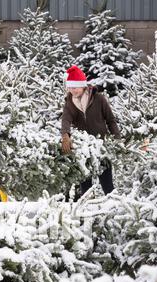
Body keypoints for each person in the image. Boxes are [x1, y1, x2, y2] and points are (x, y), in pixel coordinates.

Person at [61, 65, 121, 198]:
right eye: (70, 87)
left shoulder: (99, 99)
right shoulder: (70, 102)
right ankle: (86, 210)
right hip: (83, 149)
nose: (72, 90)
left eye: (75, 87)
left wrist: (117, 139)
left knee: (107, 183)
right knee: (85, 184)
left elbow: (110, 119)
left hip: (102, 146)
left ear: (83, 85)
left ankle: (113, 206)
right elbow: (66, 119)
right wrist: (65, 135)